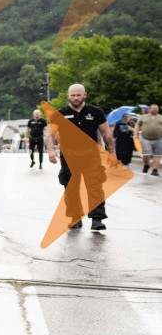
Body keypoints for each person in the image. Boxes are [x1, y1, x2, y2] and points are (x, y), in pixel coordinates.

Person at [45, 83, 115, 231]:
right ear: (68, 96)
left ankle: (97, 219)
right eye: (73, 95)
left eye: (78, 95)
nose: (76, 98)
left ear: (85, 95)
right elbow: (49, 134)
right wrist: (51, 151)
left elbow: (106, 133)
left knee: (94, 186)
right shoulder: (60, 113)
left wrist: (112, 153)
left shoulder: (96, 112)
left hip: (92, 155)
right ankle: (75, 218)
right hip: (69, 155)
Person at [135, 103, 161, 175]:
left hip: (158, 138)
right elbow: (138, 125)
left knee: (157, 155)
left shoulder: (161, 117)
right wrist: (135, 134)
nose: (155, 109)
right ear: (149, 109)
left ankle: (155, 170)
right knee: (146, 155)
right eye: (153, 108)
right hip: (146, 138)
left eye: (156, 108)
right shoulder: (143, 117)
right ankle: (146, 165)